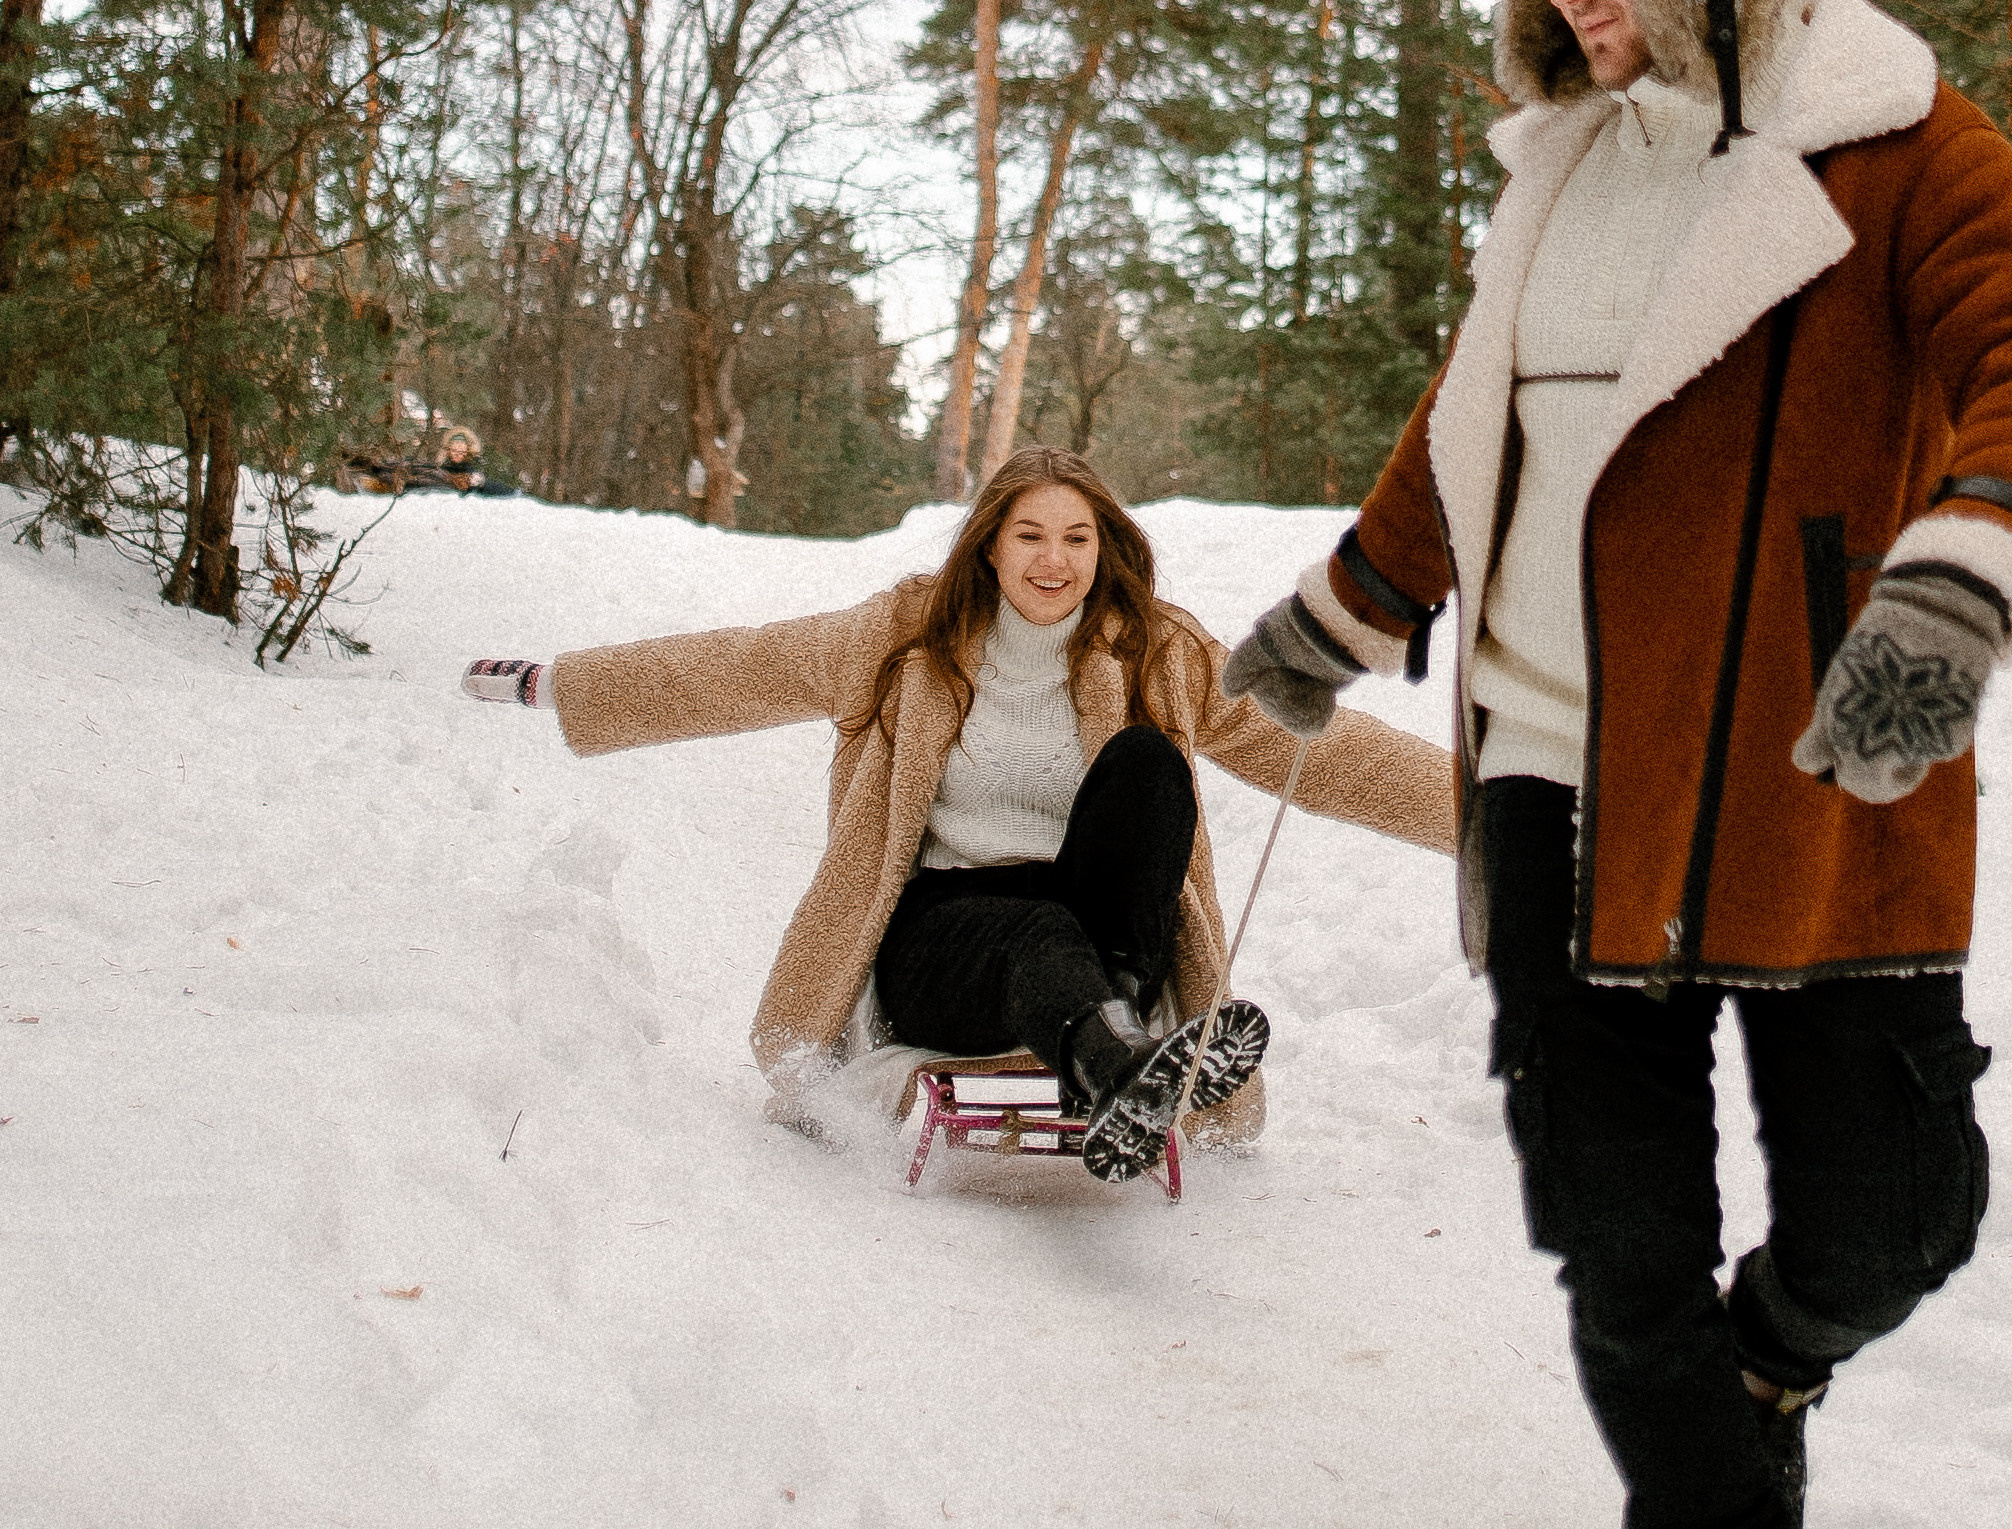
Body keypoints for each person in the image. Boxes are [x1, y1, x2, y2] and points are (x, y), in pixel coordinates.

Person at [1225, 0, 2012, 1529]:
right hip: (1553, 787)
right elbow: (1469, 431)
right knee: (1619, 1253)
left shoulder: (1893, 135)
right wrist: (1344, 612)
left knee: (1891, 1220)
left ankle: (1769, 1357)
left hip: (1819, 772)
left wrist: (1954, 581)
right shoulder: (1554, 171)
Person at [462, 447, 1456, 1179]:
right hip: (943, 939)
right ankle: (1120, 1072)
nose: (1054, 560)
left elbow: (1323, 750)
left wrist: (1490, 817)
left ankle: (1119, 1043)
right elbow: (741, 668)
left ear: (1104, 547)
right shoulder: (905, 635)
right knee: (1034, 935)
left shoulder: (1155, 651)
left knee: (1151, 764)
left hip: (1103, 940)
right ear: (990, 546)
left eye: (1076, 538)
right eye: (1030, 536)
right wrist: (560, 685)